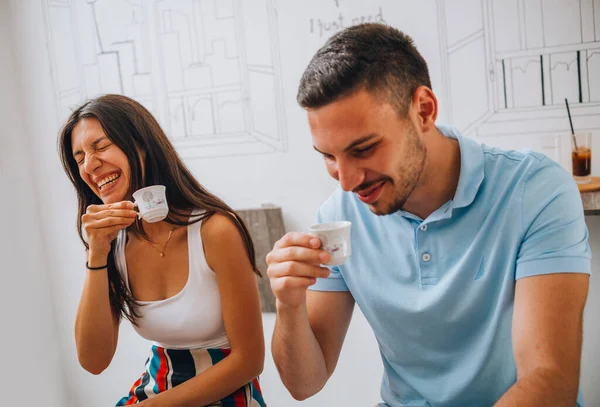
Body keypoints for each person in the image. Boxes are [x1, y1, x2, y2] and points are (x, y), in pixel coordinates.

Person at [266, 23, 591, 407]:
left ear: (423, 110)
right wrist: (288, 305)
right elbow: (305, 384)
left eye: (364, 149)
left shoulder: (535, 190)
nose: (347, 181)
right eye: (328, 157)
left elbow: (549, 378)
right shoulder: (340, 214)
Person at [58, 94, 266, 407]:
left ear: (141, 144)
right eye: (79, 158)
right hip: (156, 387)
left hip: (227, 396)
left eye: (100, 146)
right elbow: (93, 360)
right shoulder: (113, 243)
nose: (90, 165)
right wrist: (96, 254)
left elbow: (249, 361)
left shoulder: (216, 230)